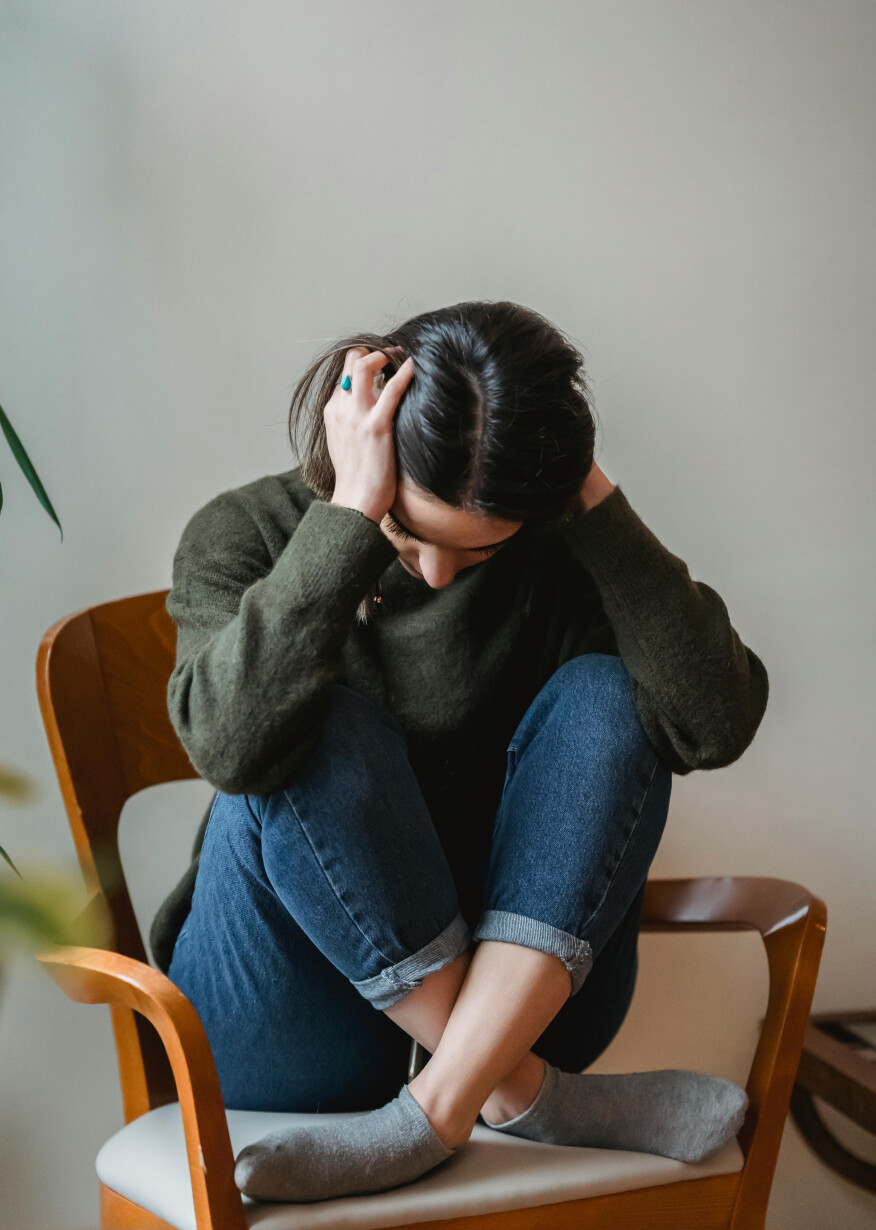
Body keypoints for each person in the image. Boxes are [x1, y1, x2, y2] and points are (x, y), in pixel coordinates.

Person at [155, 300, 769, 1204]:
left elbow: (711, 724)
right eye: (410, 532)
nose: (438, 573)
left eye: (475, 553)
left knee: (612, 697)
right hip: (282, 1016)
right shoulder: (245, 533)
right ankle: (520, 1092)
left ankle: (437, 1106)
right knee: (314, 724)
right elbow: (230, 745)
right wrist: (349, 523)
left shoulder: (555, 548)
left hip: (524, 990)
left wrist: (593, 504)